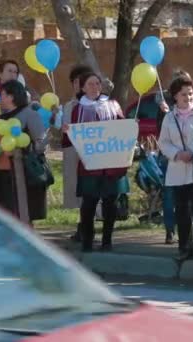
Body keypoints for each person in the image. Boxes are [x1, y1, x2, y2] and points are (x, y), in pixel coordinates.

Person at [62, 72, 130, 252]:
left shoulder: (113, 105)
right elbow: (70, 139)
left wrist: (131, 128)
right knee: (89, 204)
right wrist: (68, 131)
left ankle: (107, 241)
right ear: (83, 88)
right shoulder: (79, 108)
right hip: (89, 165)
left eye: (98, 84)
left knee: (110, 203)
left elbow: (122, 128)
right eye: (91, 84)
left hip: (111, 166)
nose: (95, 87)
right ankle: (87, 241)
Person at [158, 78, 193, 259]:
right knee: (182, 211)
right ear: (175, 96)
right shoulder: (169, 117)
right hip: (177, 170)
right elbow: (163, 142)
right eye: (184, 94)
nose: (188, 97)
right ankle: (185, 248)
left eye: (191, 93)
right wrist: (177, 153)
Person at [0, 80, 47, 221]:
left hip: (21, 173)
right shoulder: (1, 116)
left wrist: (20, 150)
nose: (0, 98)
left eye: (2, 94)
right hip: (1, 172)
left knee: (20, 212)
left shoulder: (29, 114)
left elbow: (42, 143)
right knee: (3, 213)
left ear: (11, 96)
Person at [60, 65, 93, 242]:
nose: (77, 85)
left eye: (81, 82)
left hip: (89, 154)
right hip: (73, 153)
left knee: (89, 190)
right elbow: (65, 129)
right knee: (77, 190)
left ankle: (87, 227)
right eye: (75, 82)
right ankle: (82, 225)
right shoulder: (69, 105)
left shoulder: (96, 105)